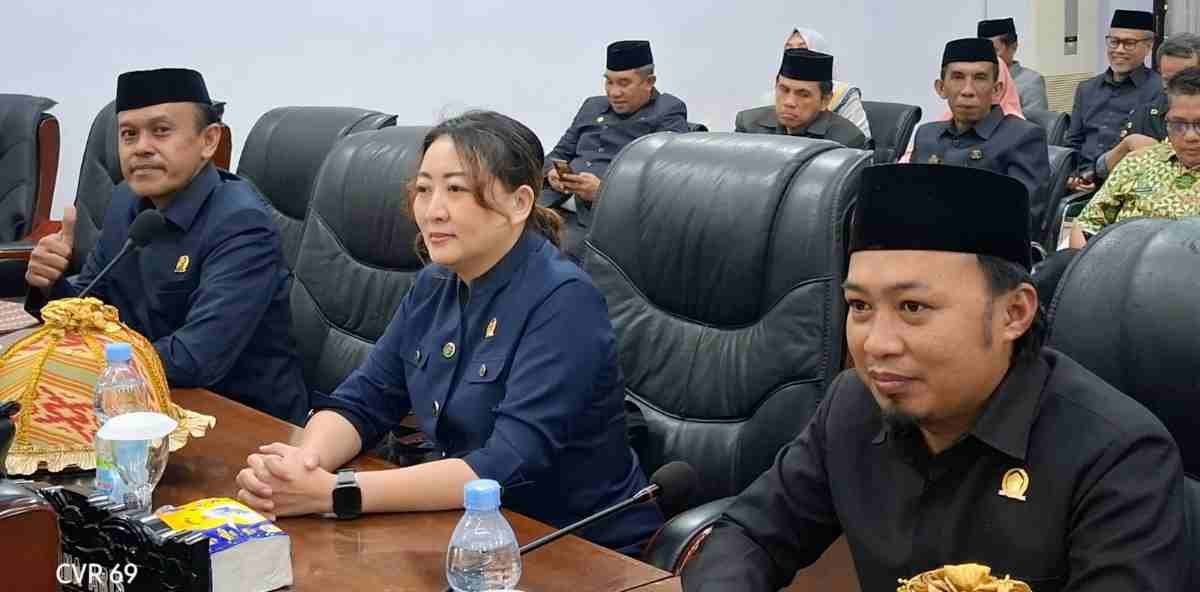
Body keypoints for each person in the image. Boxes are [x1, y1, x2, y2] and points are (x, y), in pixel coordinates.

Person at [679, 163, 1188, 591]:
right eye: (860, 306)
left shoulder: (1118, 455)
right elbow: (749, 536)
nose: (876, 344)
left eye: (913, 307)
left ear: (1013, 313)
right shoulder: (854, 402)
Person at [234, 110, 662, 555]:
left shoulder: (564, 301)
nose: (432, 210)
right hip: (467, 531)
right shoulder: (435, 283)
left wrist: (334, 493)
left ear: (519, 203)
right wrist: (302, 467)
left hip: (576, 547)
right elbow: (364, 400)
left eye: (456, 189)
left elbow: (505, 463)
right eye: (423, 189)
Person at [24, 68, 307, 424]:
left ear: (209, 140)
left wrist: (90, 367)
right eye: (129, 134)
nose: (141, 147)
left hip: (243, 420)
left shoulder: (242, 224)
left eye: (161, 131)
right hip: (140, 397)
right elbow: (92, 301)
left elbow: (195, 358)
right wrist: (50, 284)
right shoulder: (125, 200)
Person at [542, 40, 688, 257]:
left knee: (551, 253)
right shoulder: (592, 106)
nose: (614, 92)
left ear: (649, 82)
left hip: (602, 217)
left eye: (624, 83)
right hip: (553, 201)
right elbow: (558, 153)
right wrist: (552, 173)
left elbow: (665, 182)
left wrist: (603, 192)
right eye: (609, 82)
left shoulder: (668, 111)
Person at [912, 38, 1050, 223]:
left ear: (996, 90)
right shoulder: (926, 135)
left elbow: (1022, 218)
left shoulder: (1023, 137)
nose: (968, 91)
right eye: (958, 77)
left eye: (980, 78)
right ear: (941, 88)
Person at [1070, 67, 1200, 247]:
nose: (1190, 136)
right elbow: (1085, 226)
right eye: (1178, 124)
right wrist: (1085, 262)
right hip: (1112, 259)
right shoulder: (1138, 161)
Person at [1066, 9, 1162, 191]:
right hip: (1079, 183)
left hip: (1129, 187)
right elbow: (1073, 142)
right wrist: (1071, 176)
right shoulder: (1087, 88)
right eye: (1114, 42)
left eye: (1129, 43)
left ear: (1149, 46)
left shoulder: (1160, 91)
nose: (1119, 50)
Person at [1101, 33, 1200, 172]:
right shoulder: (1146, 115)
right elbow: (1102, 170)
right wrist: (1126, 146)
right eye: (1168, 80)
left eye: (1186, 80)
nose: (1176, 87)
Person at [735, 48, 868, 148]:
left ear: (825, 101)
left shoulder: (846, 140)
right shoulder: (749, 126)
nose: (789, 102)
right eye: (784, 90)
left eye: (803, 95)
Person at [763, 28, 872, 139]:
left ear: (825, 100)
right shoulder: (766, 104)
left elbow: (860, 140)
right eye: (789, 49)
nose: (789, 102)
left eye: (803, 49)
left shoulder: (843, 94)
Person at [978, 17, 1048, 111]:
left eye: (994, 51)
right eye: (983, 51)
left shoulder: (1031, 81)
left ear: (1013, 47)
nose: (988, 56)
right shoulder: (977, 79)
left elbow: (1036, 118)